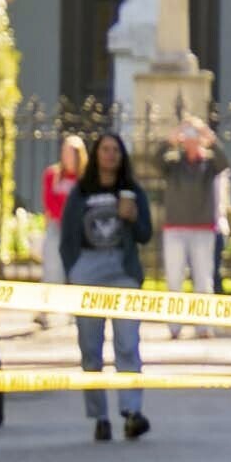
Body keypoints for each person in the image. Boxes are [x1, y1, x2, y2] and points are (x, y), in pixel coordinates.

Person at [54, 128, 157, 444]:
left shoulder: (132, 191)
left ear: (121, 156)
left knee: (128, 343)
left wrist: (133, 217)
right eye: (105, 149)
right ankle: (99, 416)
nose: (110, 155)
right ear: (96, 154)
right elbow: (67, 237)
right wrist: (74, 271)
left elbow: (145, 234)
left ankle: (131, 412)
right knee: (91, 348)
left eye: (116, 150)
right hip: (89, 269)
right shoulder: (81, 192)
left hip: (122, 271)